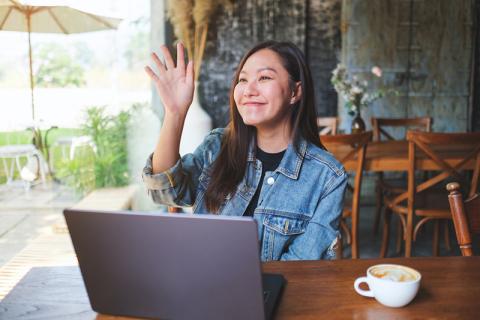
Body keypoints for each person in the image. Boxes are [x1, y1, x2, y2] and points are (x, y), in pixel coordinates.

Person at [142, 40, 347, 261]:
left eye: (264, 77)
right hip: (199, 285)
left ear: (295, 92)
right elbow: (164, 191)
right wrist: (174, 113)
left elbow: (302, 268)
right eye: (242, 79)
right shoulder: (218, 146)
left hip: (275, 294)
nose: (249, 90)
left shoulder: (328, 177)